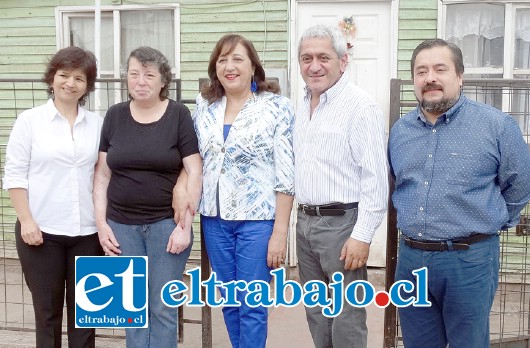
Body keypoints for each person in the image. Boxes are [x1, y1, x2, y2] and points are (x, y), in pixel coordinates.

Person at [388, 38, 530, 348]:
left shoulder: (496, 126)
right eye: (421, 71)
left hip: (469, 260)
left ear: (460, 76)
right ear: (414, 79)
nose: (430, 78)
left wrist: (491, 220)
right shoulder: (400, 132)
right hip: (412, 260)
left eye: (440, 69)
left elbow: (519, 185)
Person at [180, 33, 295, 348]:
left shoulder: (277, 107)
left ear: (253, 66)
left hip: (257, 221)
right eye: (222, 59)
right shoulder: (206, 105)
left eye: (237, 59)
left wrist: (280, 232)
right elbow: (193, 157)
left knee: (252, 302)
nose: (229, 67)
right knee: (229, 299)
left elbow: (286, 174)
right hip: (214, 218)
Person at [93, 46, 202, 348]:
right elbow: (102, 176)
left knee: (162, 306)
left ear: (162, 81)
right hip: (121, 227)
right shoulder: (114, 116)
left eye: (149, 75)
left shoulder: (178, 114)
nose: (140, 81)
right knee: (132, 308)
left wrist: (186, 225)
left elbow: (194, 170)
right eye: (134, 74)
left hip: (166, 227)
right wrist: (101, 224)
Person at [294, 24, 388, 348]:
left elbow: (375, 178)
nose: (314, 65)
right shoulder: (302, 104)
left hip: (341, 226)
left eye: (324, 57)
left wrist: (362, 236)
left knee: (346, 316)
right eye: (306, 58)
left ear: (343, 61)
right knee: (316, 312)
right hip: (304, 224)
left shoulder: (360, 107)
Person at [3, 47, 102, 347]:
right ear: (51, 78)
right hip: (41, 233)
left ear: (87, 85)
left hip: (88, 233)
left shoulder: (97, 125)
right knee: (46, 315)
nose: (70, 83)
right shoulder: (29, 121)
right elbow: (15, 175)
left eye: (79, 78)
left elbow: (103, 176)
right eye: (63, 75)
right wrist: (26, 220)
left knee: (86, 315)